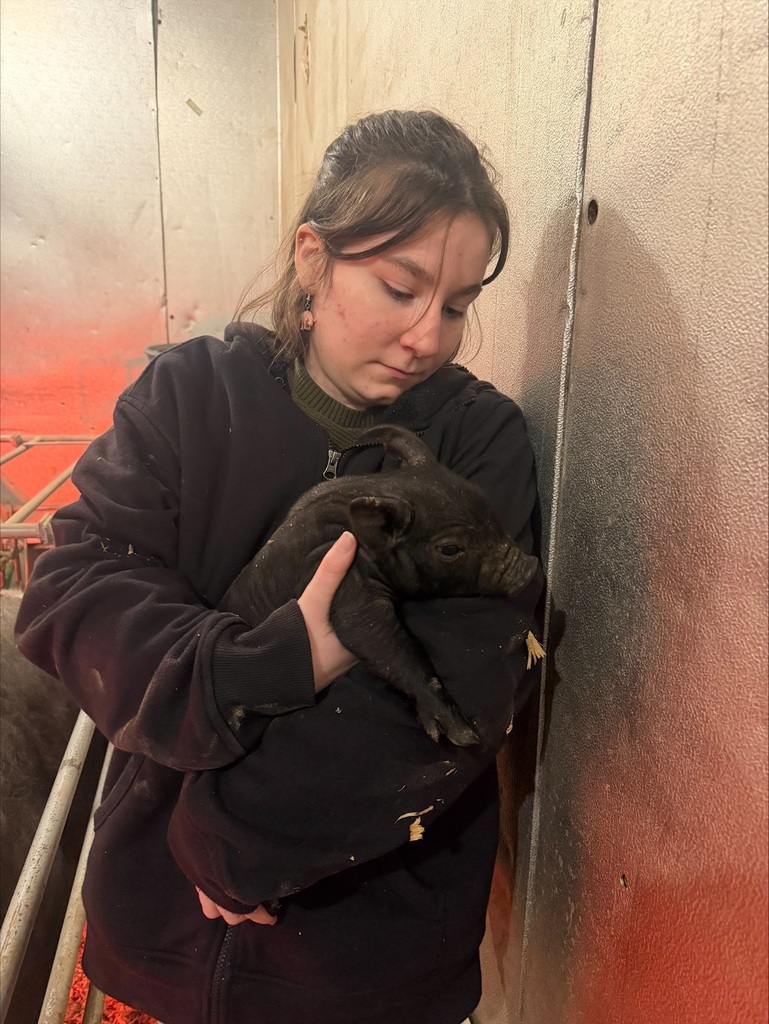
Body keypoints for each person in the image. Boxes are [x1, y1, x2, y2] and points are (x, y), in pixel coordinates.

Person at [15, 109, 544, 1024]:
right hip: (160, 931)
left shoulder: (475, 441)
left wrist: (234, 843)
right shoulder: (188, 396)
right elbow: (76, 588)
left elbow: (463, 677)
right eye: (398, 287)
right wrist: (252, 666)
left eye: (455, 305)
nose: (429, 336)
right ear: (312, 258)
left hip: (364, 964)